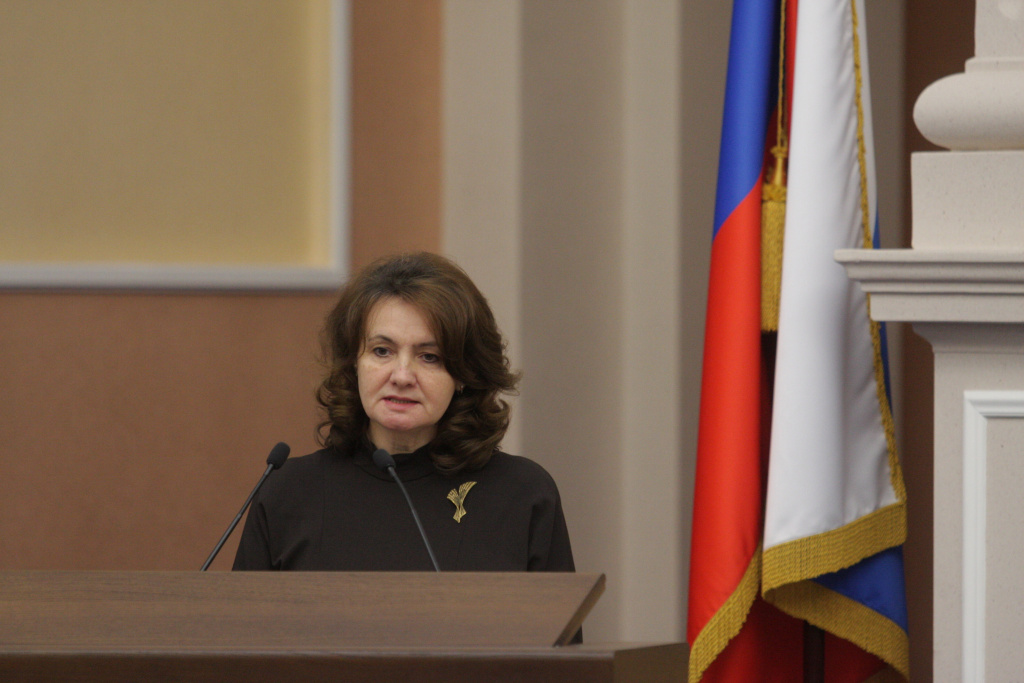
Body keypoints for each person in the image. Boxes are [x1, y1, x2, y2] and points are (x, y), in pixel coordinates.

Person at [232, 252, 576, 573]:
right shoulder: (288, 492)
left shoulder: (522, 495)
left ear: (464, 375)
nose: (401, 376)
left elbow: (559, 620)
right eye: (382, 351)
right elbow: (243, 620)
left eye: (429, 357)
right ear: (354, 362)